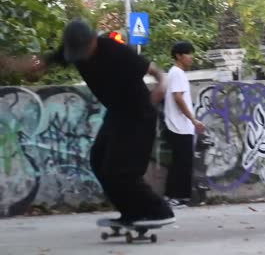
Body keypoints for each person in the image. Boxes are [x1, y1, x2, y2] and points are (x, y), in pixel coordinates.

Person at [12, 19, 174, 225]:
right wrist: (22, 67)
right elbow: (41, 65)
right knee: (98, 161)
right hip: (116, 113)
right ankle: (131, 213)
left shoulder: (115, 50)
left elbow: (157, 71)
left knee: (122, 170)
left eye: (85, 50)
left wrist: (161, 86)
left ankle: (159, 211)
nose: (83, 56)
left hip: (138, 114)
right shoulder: (72, 49)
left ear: (94, 40)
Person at [163, 41, 204, 207]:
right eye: (188, 54)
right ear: (179, 56)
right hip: (179, 126)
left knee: (180, 163)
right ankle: (177, 197)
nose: (191, 57)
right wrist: (193, 120)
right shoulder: (177, 73)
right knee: (182, 164)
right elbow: (178, 97)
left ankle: (174, 196)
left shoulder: (174, 73)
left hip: (178, 126)